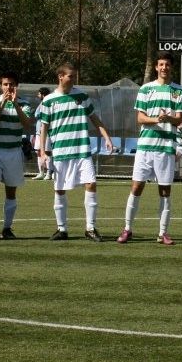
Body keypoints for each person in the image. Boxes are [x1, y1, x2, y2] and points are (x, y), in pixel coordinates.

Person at [118, 52, 182, 245]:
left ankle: (163, 233)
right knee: (136, 187)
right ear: (156, 67)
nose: (164, 68)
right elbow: (140, 118)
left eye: (167, 64)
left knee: (165, 191)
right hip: (145, 147)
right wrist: (156, 119)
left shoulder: (179, 91)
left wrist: (169, 119)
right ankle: (127, 229)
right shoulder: (145, 89)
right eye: (161, 64)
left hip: (166, 147)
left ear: (171, 67)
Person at [37, 63, 114, 241]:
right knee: (60, 190)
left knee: (91, 184)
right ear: (60, 77)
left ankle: (90, 228)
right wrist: (42, 152)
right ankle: (62, 229)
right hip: (61, 152)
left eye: (74, 76)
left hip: (82, 150)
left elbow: (95, 119)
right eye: (70, 76)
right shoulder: (49, 100)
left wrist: (106, 137)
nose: (73, 79)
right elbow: (44, 128)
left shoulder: (82, 96)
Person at [0, 71, 34, 240]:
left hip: (13, 151)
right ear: (0, 86)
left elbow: (27, 124)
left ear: (16, 86)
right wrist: (3, 104)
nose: (8, 87)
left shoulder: (24, 103)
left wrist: (16, 105)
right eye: (5, 84)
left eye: (11, 84)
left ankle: (7, 228)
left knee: (11, 192)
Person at [32, 87, 54, 180]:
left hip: (46, 131)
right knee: (38, 151)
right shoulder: (41, 104)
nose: (38, 95)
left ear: (43, 94)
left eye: (39, 94)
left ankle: (49, 172)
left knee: (47, 152)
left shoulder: (49, 103)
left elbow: (41, 115)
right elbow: (36, 115)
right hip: (38, 132)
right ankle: (41, 172)